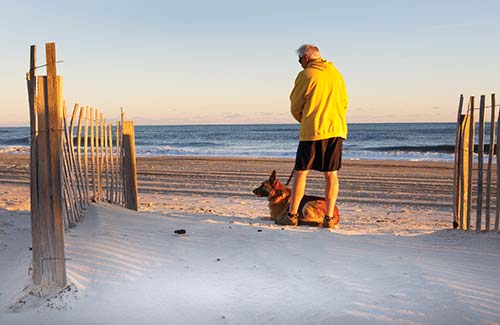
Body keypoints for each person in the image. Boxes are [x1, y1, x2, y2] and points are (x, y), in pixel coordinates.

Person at [286, 44, 348, 228]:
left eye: (299, 61)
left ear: (305, 58)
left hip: (313, 130)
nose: (300, 64)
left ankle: (292, 215)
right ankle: (328, 217)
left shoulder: (306, 75)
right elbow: (344, 102)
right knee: (331, 174)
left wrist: (305, 120)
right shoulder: (336, 74)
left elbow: (295, 106)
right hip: (336, 129)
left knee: (301, 173)